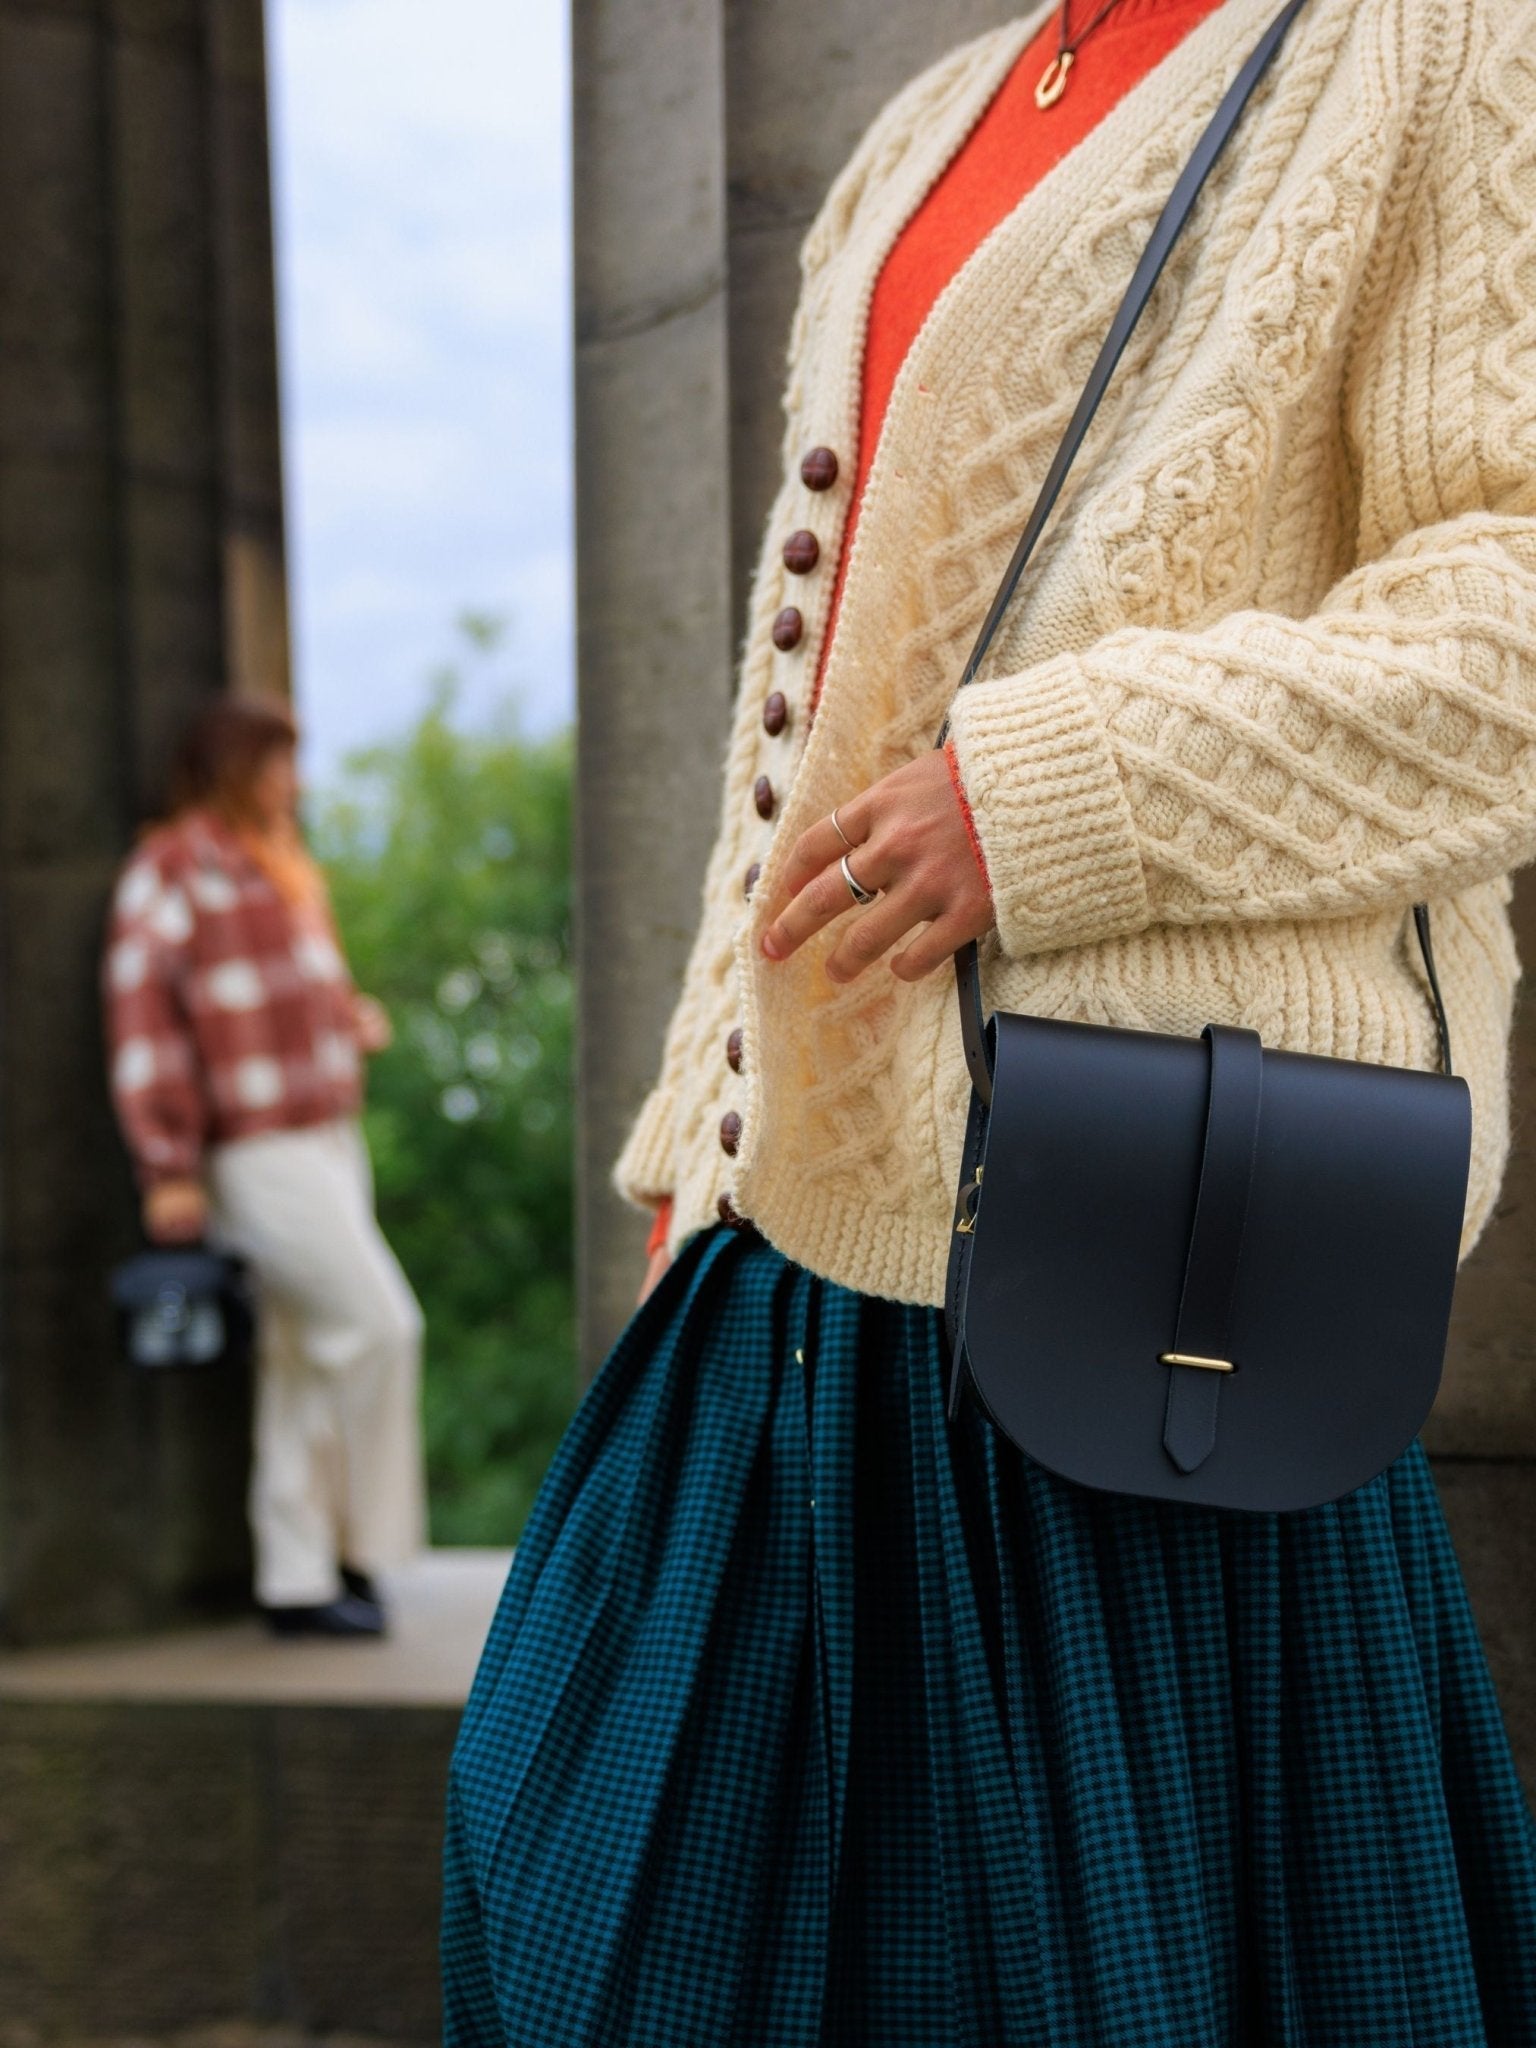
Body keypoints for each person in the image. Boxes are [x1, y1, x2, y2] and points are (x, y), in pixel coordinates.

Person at [445, 0, 1536, 2038]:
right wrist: (703, 1128)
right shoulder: (925, 124)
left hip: (1143, 1267)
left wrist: (1060, 791)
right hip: (793, 1257)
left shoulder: (1436, 43)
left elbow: (1516, 612)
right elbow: (811, 675)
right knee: (575, 1881)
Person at [105, 695, 426, 1638]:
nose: (295, 781)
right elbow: (144, 1021)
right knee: (379, 1328)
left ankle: (300, 1578)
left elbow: (281, 996)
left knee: (297, 1361)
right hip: (252, 1148)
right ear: (229, 769)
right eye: (278, 763)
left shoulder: (279, 867)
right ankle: (368, 1546)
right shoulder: (170, 869)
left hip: (327, 1132)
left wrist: (349, 1019)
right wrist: (165, 1162)